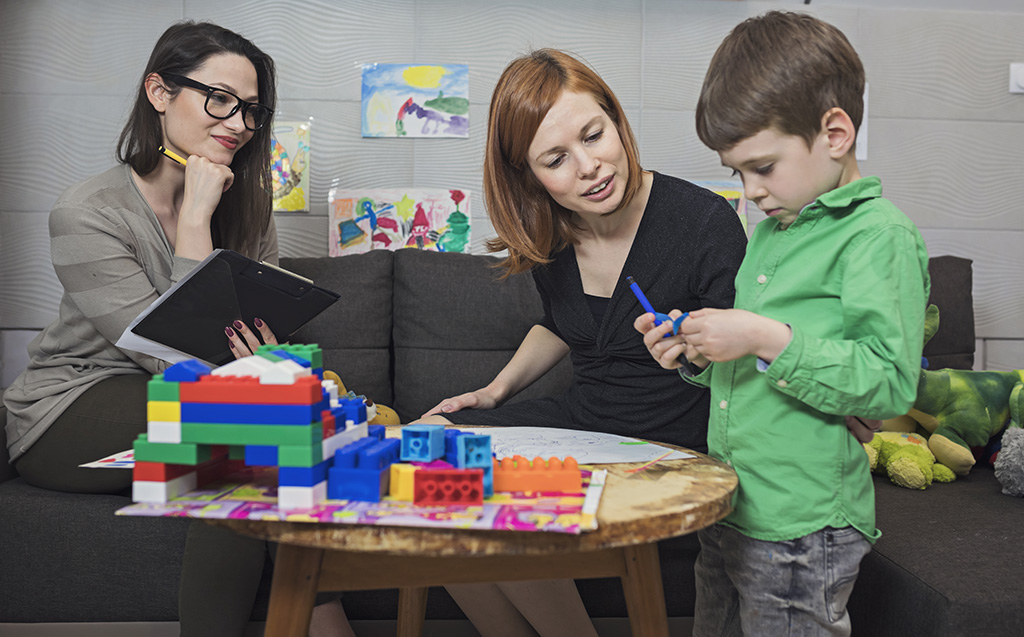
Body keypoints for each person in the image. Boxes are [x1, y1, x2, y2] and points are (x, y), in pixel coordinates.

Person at [2, 21, 352, 637]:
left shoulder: (249, 203)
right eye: (219, 99)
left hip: (200, 396)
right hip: (72, 407)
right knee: (247, 438)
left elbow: (250, 348)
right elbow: (176, 360)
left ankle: (318, 621)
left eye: (250, 109)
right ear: (159, 93)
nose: (238, 123)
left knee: (278, 439)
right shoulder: (88, 212)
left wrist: (269, 363)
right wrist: (195, 220)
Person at [418, 49, 748, 637]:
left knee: (497, 507)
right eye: (556, 159)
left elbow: (742, 349)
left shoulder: (702, 220)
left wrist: (694, 345)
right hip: (586, 424)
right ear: (530, 176)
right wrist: (494, 392)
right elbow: (564, 325)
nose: (590, 167)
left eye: (595, 136)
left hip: (669, 437)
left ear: (617, 121)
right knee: (426, 452)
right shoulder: (554, 233)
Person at [636, 11, 929, 636]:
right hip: (732, 503)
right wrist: (696, 353)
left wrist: (764, 336)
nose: (749, 192)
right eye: (736, 172)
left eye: (762, 168)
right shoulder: (771, 232)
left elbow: (888, 382)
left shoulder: (880, 237)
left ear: (835, 133)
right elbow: (756, 371)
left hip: (803, 523)